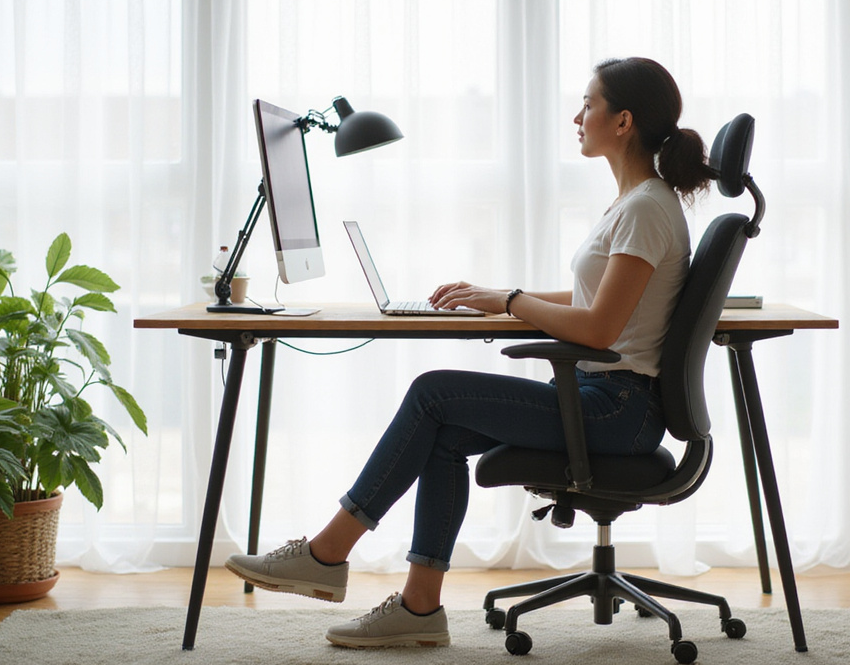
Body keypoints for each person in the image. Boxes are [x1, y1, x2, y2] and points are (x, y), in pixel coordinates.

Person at [225, 57, 714, 649]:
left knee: (435, 393)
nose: (577, 116)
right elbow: (602, 297)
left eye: (588, 103)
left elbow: (602, 328)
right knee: (446, 427)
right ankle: (419, 608)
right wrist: (500, 296)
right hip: (611, 401)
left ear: (623, 121)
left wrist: (509, 300)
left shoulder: (643, 208)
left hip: (618, 408)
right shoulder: (638, 202)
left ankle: (328, 554)